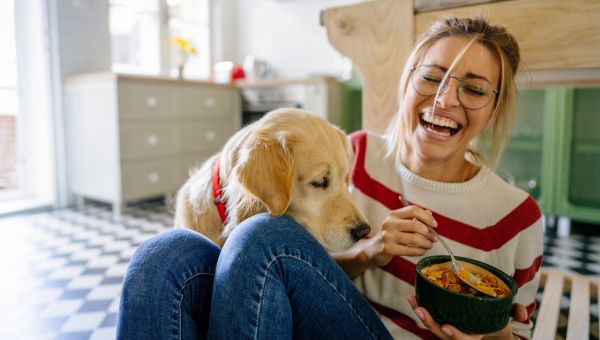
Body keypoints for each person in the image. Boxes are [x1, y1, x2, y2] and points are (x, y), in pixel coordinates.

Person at [117, 16, 543, 340]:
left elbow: (518, 334)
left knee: (260, 236)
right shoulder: (351, 152)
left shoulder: (516, 218)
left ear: (494, 107)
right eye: (432, 77)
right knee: (163, 255)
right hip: (310, 321)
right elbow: (297, 271)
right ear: (408, 81)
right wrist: (368, 253)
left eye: (474, 88)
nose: (446, 99)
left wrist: (492, 334)